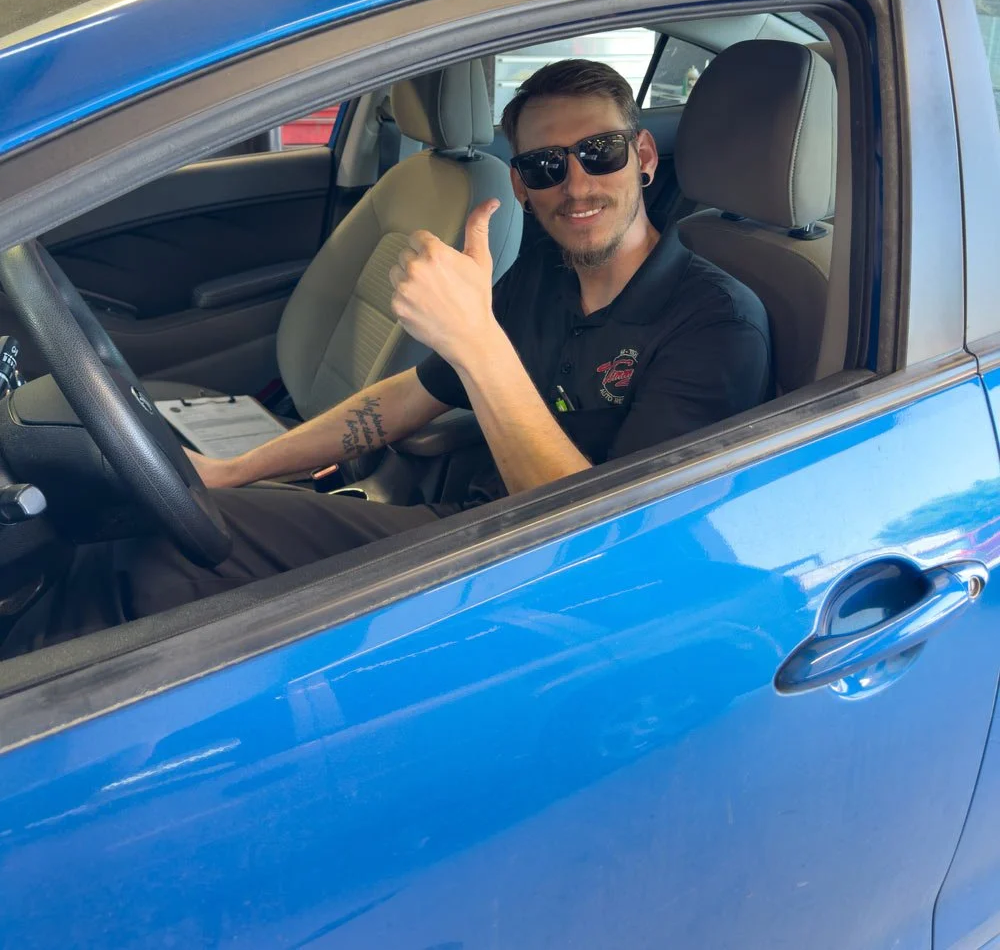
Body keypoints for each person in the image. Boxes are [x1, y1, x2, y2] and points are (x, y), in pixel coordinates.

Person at [30, 59, 774, 638]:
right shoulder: (541, 278)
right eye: (546, 166)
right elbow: (408, 396)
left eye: (598, 152)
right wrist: (237, 469)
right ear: (521, 186)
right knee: (153, 531)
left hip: (536, 587)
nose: (575, 185)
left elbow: (609, 551)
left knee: (166, 561)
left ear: (643, 156)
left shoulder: (717, 322)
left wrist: (476, 340)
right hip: (465, 526)